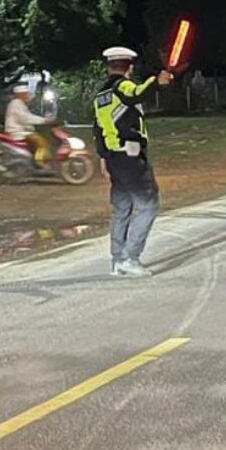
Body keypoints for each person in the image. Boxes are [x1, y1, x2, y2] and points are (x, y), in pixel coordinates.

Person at [93, 46, 173, 278]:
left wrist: (103, 159)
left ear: (109, 66)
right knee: (148, 205)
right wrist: (156, 81)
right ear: (129, 67)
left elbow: (97, 129)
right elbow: (137, 92)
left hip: (114, 159)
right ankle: (130, 257)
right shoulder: (122, 86)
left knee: (122, 208)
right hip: (130, 157)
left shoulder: (100, 95)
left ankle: (118, 260)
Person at [4, 83, 51, 164]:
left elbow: (28, 117)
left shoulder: (20, 104)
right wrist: (44, 120)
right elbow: (26, 118)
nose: (28, 96)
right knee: (40, 141)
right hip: (17, 132)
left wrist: (44, 120)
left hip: (22, 131)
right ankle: (40, 163)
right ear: (20, 95)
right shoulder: (16, 103)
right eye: (26, 94)